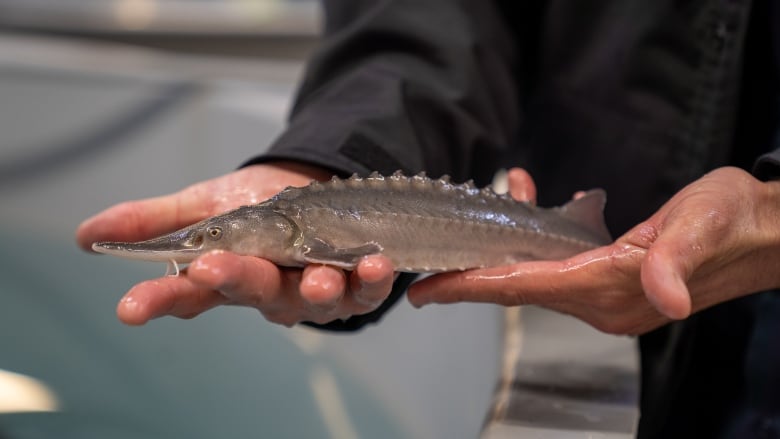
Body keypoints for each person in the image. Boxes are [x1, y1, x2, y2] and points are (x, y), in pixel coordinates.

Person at [77, 1, 780, 437]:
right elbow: (438, 18)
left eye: (206, 238)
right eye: (203, 241)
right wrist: (332, 155)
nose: (199, 248)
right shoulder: (289, 226)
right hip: (623, 292)